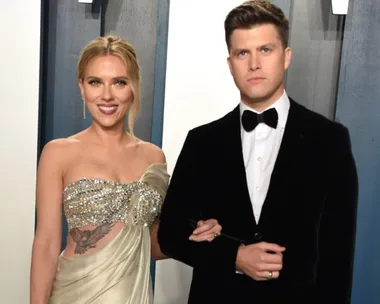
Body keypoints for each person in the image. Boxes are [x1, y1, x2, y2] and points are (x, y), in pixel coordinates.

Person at [157, 1, 358, 303]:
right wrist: (233, 256)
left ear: (286, 56)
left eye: (265, 50)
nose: (254, 64)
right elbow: (170, 234)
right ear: (230, 63)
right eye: (242, 53)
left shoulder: (329, 140)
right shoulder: (202, 141)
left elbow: (338, 256)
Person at [30, 35, 222, 304]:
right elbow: (47, 244)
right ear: (82, 87)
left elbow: (154, 245)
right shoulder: (58, 153)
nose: (107, 95)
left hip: (133, 294)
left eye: (119, 82)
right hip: (73, 294)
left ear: (133, 88)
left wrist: (194, 235)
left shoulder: (153, 157)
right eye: (95, 82)